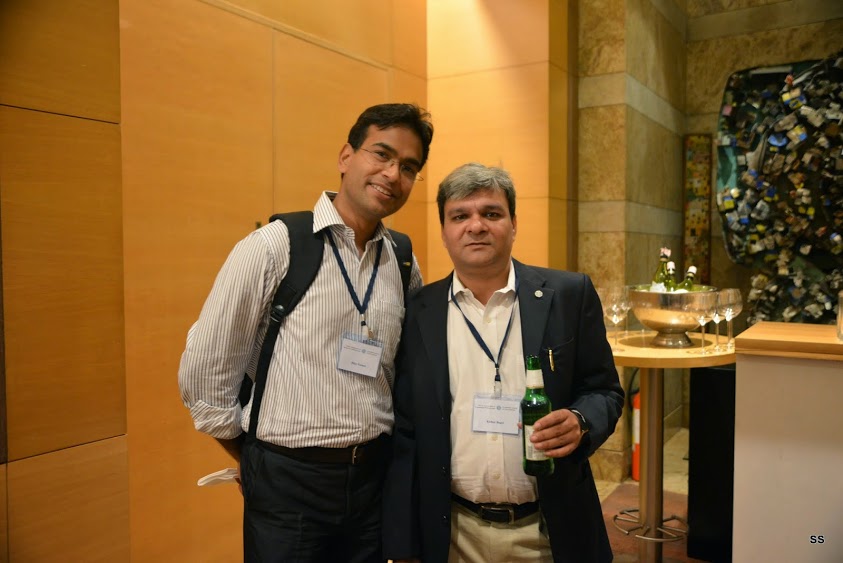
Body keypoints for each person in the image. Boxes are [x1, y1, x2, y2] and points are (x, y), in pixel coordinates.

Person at [178, 103, 434, 563]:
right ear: (345, 157)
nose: (393, 174)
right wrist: (254, 457)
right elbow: (204, 374)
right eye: (381, 154)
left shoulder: (401, 260)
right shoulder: (275, 246)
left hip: (374, 484)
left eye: (409, 167)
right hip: (287, 486)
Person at [382, 163, 624, 563]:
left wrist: (582, 421)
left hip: (550, 531)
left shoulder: (569, 294)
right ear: (444, 231)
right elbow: (406, 434)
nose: (476, 226)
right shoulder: (419, 312)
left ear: (513, 225)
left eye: (491, 213)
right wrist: (403, 544)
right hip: (452, 535)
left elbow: (605, 391)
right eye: (460, 216)